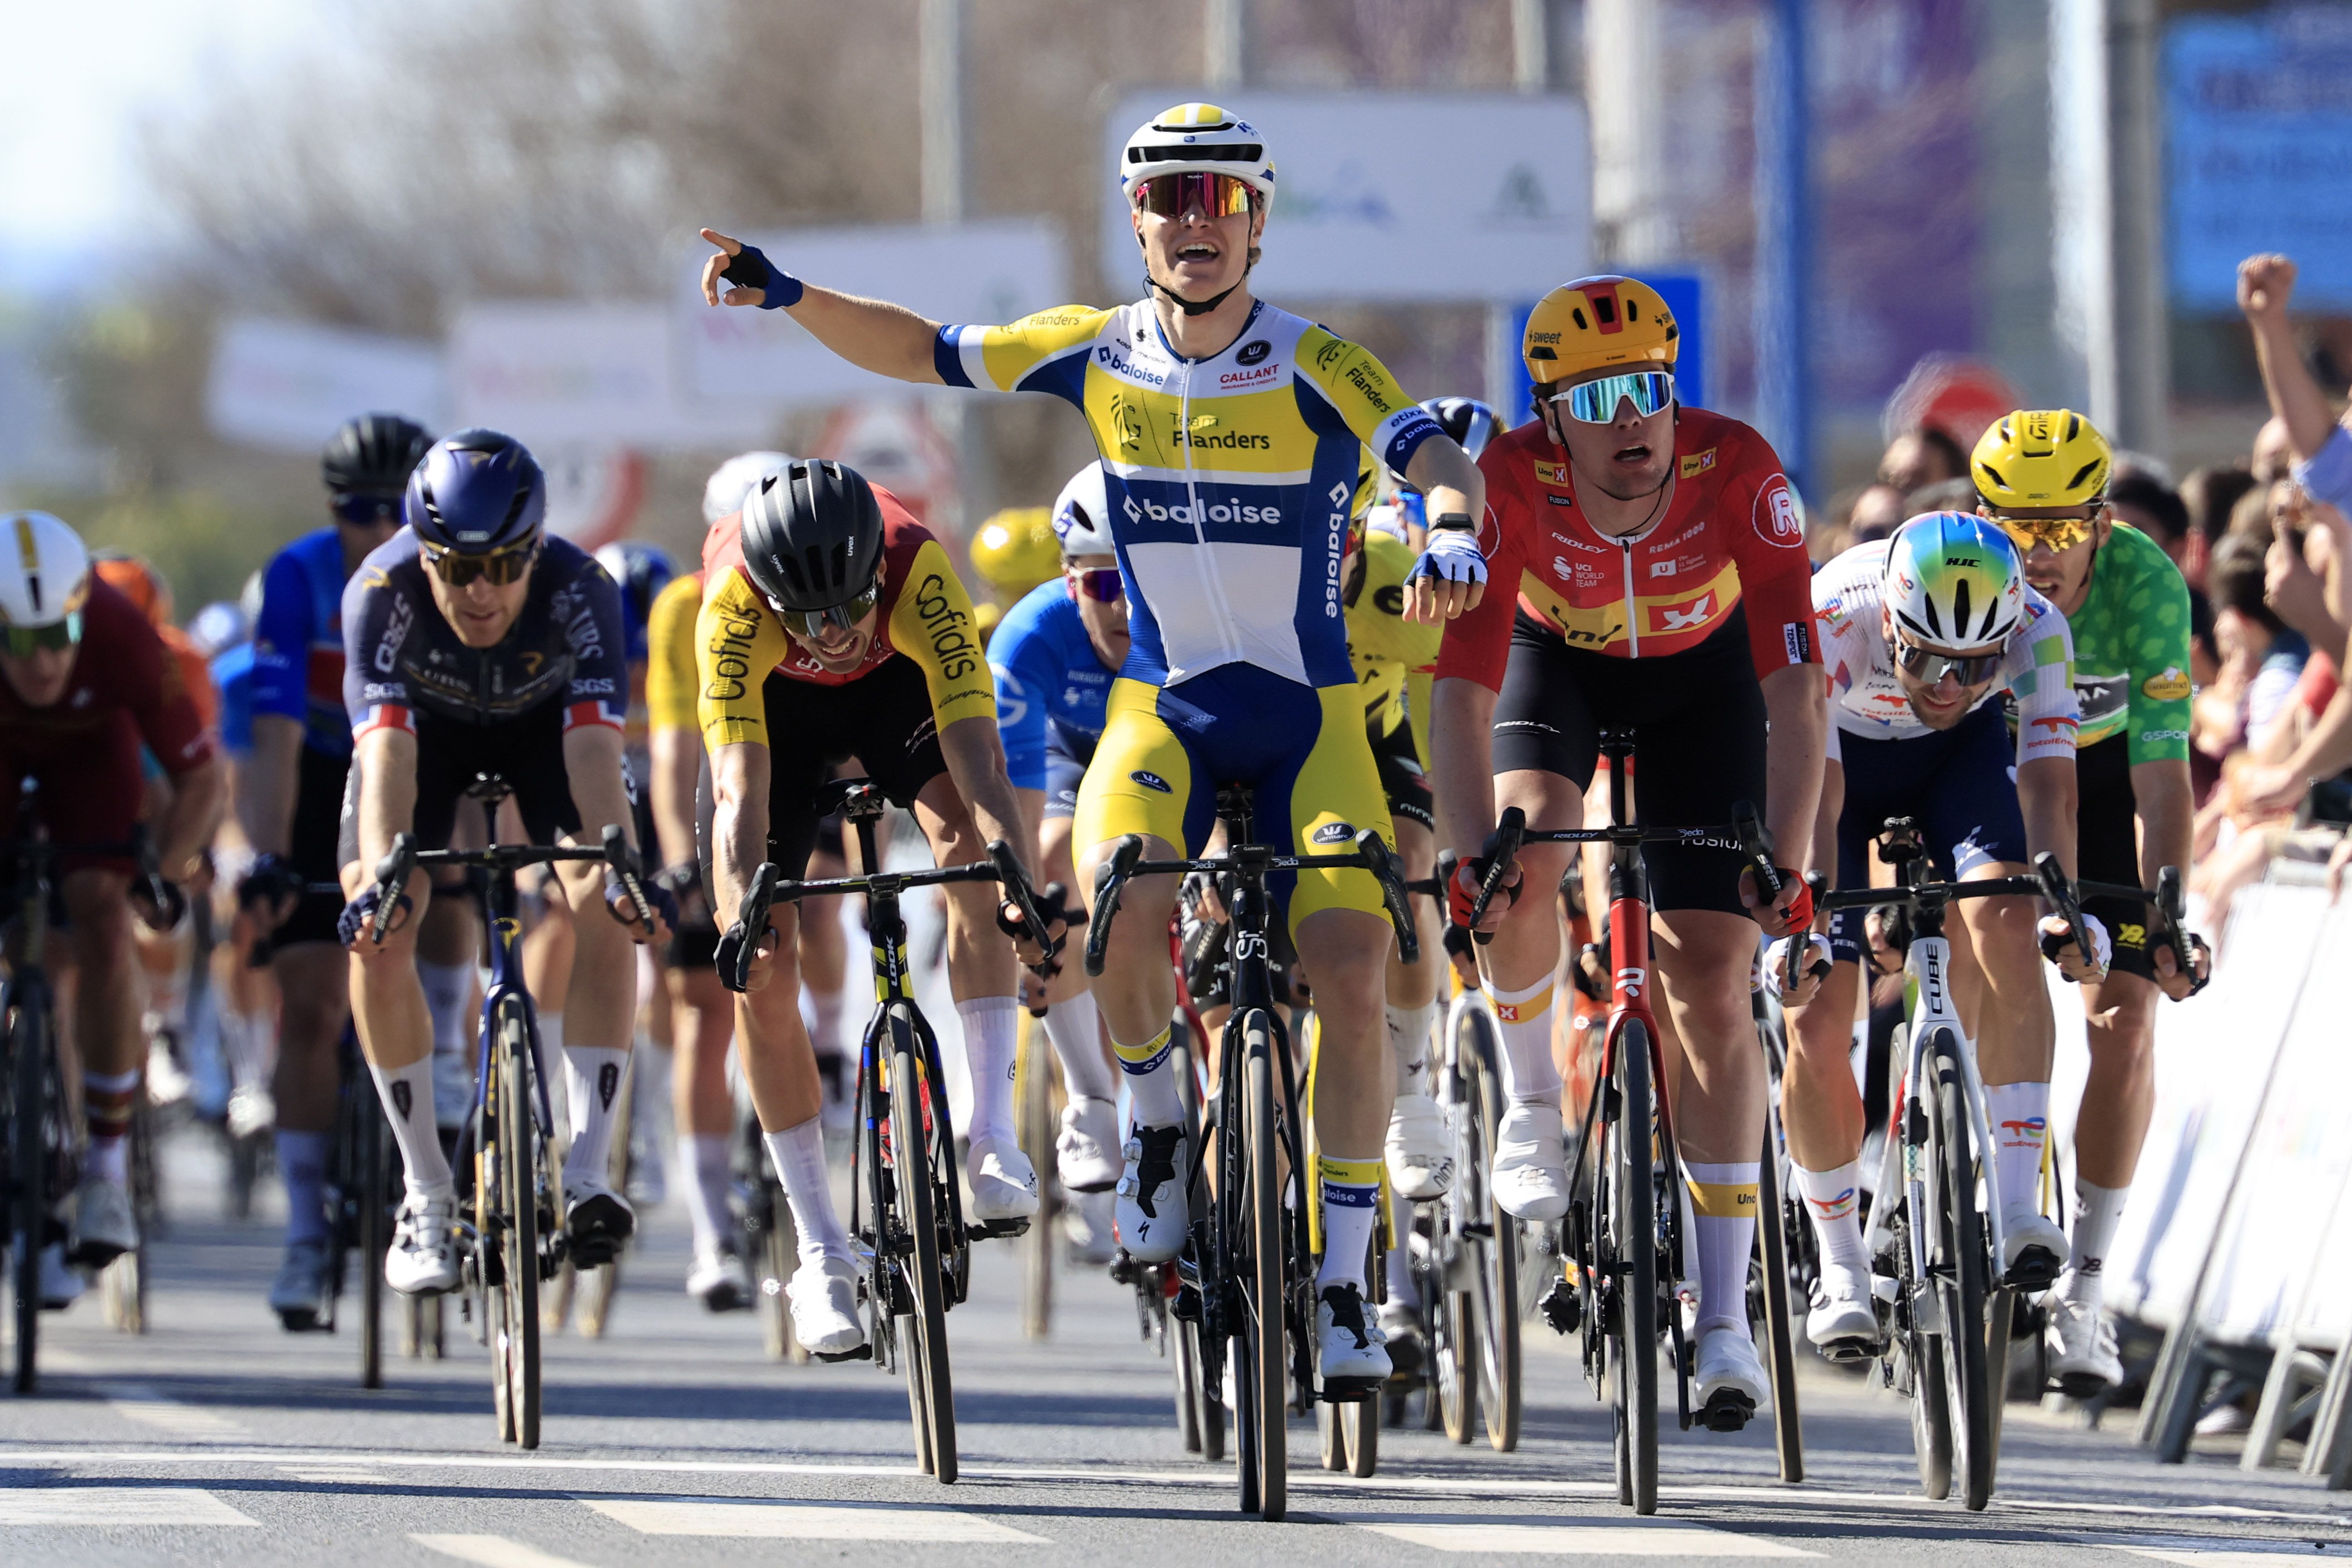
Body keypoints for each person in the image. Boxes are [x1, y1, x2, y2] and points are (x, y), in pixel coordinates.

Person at [696, 100, 1489, 1387]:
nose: (1194, 222)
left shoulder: (1315, 358)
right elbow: (924, 348)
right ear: (1137, 219)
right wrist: (789, 293)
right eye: (1170, 199)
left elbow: (1437, 452)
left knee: (1349, 964)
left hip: (1311, 715)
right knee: (1111, 905)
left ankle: (1344, 1284)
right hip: (1163, 706)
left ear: (1258, 220)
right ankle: (1162, 1131)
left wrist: (1450, 530)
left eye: (1219, 201)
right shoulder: (1094, 351)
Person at [1429, 274, 1824, 1427]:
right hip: (1561, 672)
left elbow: (1797, 688)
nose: (1632, 423)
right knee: (1527, 861)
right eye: (1598, 401)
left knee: (1709, 976)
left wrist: (1786, 866)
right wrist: (1472, 861)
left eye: (1650, 390)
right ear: (1550, 416)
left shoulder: (1740, 470)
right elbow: (1458, 695)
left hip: (1706, 690)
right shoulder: (1506, 480)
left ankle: (1723, 1320)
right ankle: (1533, 1108)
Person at [695, 459, 1050, 1357]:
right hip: (780, 718)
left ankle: (993, 1135)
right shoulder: (732, 610)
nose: (834, 631)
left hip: (902, 698)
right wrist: (742, 915)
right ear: (769, 598)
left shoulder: (916, 569)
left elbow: (979, 758)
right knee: (763, 965)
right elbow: (739, 791)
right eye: (807, 617)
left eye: (848, 606)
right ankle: (819, 1249)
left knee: (971, 854)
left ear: (873, 574)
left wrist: (1014, 870)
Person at [337, 429, 675, 1296]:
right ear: (428, 557)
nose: (480, 590)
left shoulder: (583, 587)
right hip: (424, 746)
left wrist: (617, 863)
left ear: (536, 550)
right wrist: (382, 874)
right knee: (380, 925)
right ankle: (425, 1193)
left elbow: (597, 755)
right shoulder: (381, 590)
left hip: (548, 741)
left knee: (607, 894)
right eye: (456, 568)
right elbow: (387, 763)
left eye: (504, 565)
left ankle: (588, 1168)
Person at [1774, 510, 2101, 1356]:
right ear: (1890, 621)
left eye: (1973, 667)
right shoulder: (1833, 615)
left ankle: (2021, 1205)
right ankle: (1841, 1262)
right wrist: (1807, 915)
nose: (1948, 687)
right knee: (1819, 1009)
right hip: (1835, 752)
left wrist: (2062, 905)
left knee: (2010, 913)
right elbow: (1819, 799)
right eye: (1923, 659)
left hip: (1955, 765)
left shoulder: (2041, 628)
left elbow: (2051, 789)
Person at [1968, 408, 2209, 1395]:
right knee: (1976, 946)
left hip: (2105, 782)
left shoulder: (2147, 583)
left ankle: (2089, 1292)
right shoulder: (1956, 564)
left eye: (2063, 527)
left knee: (2124, 1017)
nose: (2040, 552)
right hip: (1982, 770)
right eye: (2019, 529)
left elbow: (2163, 775)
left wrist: (2164, 915)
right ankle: (1939, 1181)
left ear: (2103, 524)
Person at [234, 414, 431, 1327]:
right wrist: (272, 857)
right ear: (331, 508)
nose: (376, 527)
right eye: (360, 510)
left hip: (421, 755)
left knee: (452, 915)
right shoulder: (297, 577)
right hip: (321, 770)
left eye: (394, 508)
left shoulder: (447, 563)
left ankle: (457, 1089)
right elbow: (270, 739)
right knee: (310, 1004)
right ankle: (307, 1232)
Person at [0, 512, 225, 1273]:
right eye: (19, 641)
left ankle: (103, 1169)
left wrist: (159, 870)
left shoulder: (122, 632)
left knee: (100, 917)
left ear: (80, 613)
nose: (40, 664)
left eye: (56, 637)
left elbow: (199, 778)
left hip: (92, 764)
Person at [644, 449, 794, 1310]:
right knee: (703, 1007)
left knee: (826, 934)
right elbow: (672, 750)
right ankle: (709, 1227)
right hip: (717, 779)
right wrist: (681, 859)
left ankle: (824, 1066)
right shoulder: (679, 608)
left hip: (799, 769)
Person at [987, 462, 1127, 1241]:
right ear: (1072, 582)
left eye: (1142, 580)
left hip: (1173, 756)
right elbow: (1024, 810)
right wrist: (1028, 907)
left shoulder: (1189, 618)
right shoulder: (1030, 635)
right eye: (1106, 586)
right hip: (1072, 758)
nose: (1128, 608)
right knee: (1045, 867)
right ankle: (1090, 1098)